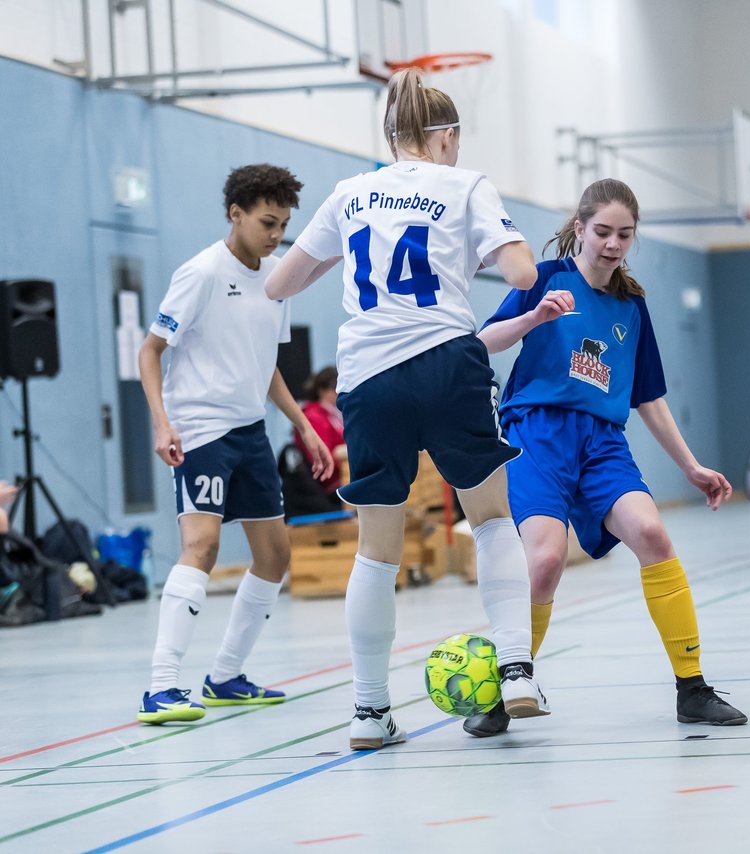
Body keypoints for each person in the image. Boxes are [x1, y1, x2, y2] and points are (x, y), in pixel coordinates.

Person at [265, 70, 549, 751]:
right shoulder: (465, 183)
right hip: (448, 362)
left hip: (368, 378)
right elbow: (522, 274)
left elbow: (278, 281)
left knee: (377, 550)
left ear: (390, 139)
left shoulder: (349, 194)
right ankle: (515, 669)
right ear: (446, 136)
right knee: (489, 517)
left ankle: (368, 712)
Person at [469, 178, 747, 738]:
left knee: (652, 535)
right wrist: (533, 319)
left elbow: (648, 395)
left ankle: (692, 689)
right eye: (602, 231)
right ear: (579, 228)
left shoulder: (632, 305)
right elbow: (483, 341)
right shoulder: (545, 278)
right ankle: (508, 687)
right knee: (543, 562)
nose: (613, 244)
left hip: (602, 443)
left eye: (624, 234)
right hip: (535, 435)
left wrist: (691, 465)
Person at [138, 164, 334, 725]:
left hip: (250, 431)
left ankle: (225, 675)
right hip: (200, 429)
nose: (276, 235)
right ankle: (160, 687)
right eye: (267, 222)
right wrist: (161, 423)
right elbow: (149, 352)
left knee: (275, 555)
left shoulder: (278, 279)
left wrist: (303, 423)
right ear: (236, 214)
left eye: (283, 225)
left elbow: (265, 364)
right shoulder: (200, 272)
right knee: (201, 547)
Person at [296, 366, 346, 496]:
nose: (339, 392)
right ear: (321, 391)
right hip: (331, 483)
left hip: (343, 477)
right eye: (335, 389)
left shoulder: (334, 414)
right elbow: (322, 459)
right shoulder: (314, 417)